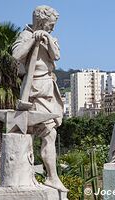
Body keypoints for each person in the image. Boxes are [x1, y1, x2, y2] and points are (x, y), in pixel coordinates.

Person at [12, 5, 67, 192]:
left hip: (48, 89)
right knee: (29, 133)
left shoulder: (50, 37)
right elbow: (16, 55)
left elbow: (56, 55)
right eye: (50, 25)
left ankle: (51, 176)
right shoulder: (25, 36)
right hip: (31, 89)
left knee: (49, 133)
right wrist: (32, 41)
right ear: (41, 21)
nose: (52, 28)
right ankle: (28, 176)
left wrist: (47, 38)